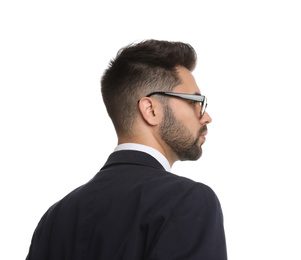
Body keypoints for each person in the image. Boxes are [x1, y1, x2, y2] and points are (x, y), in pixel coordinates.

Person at [26, 40, 227, 260]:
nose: (206, 116)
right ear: (151, 110)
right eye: (195, 101)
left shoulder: (54, 219)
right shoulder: (190, 201)